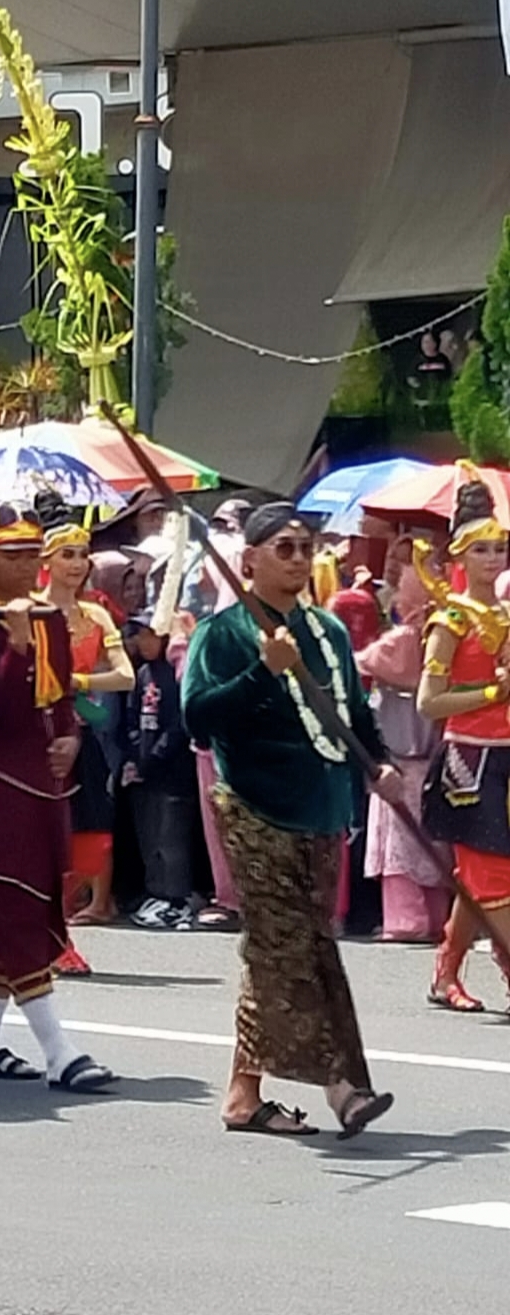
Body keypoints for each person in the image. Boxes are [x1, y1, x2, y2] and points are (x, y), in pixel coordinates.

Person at [182, 502, 399, 1139]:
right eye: (283, 548)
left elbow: (353, 711)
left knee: (288, 950)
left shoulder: (329, 632)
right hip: (256, 809)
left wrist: (379, 764)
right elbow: (198, 720)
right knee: (291, 950)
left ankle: (243, 1094)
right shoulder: (221, 635)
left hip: (324, 807)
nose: (299, 559)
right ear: (248, 560)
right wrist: (262, 673)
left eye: (306, 548)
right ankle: (341, 1086)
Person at [0, 503, 115, 1093]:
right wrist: (14, 646)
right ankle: (58, 1049)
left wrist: (69, 735)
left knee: (24, 904)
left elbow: (63, 692)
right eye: (9, 556)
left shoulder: (48, 616)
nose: (22, 566)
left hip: (45, 778)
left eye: (28, 555)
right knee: (15, 904)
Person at [419, 479, 510, 1010]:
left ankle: (445, 972)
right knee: (489, 873)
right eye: (481, 549)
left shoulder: (504, 614)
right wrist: (495, 689)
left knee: (487, 875)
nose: (493, 558)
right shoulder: (449, 619)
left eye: (500, 548)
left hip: (506, 753)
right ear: (459, 555)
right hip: (469, 758)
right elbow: (429, 702)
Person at [39, 519, 134, 930]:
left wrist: (77, 683)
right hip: (36, 734)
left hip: (81, 730)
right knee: (39, 833)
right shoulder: (29, 608)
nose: (77, 564)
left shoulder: (95, 614)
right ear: (47, 560)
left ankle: (59, 928)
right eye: (67, 554)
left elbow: (125, 675)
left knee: (87, 833)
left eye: (82, 555)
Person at [355, 562, 450, 943]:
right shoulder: (444, 635)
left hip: (400, 754)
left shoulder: (402, 639)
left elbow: (361, 661)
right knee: (434, 842)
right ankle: (436, 917)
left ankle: (405, 920)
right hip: (437, 753)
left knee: (398, 841)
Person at [123, 616, 199, 929]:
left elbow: (180, 724)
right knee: (149, 836)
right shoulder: (142, 672)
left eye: (151, 635)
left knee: (172, 838)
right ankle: (157, 892)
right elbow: (131, 717)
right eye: (139, 636)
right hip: (145, 770)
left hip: (173, 770)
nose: (144, 642)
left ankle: (178, 898)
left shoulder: (176, 673)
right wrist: (134, 758)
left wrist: (154, 757)